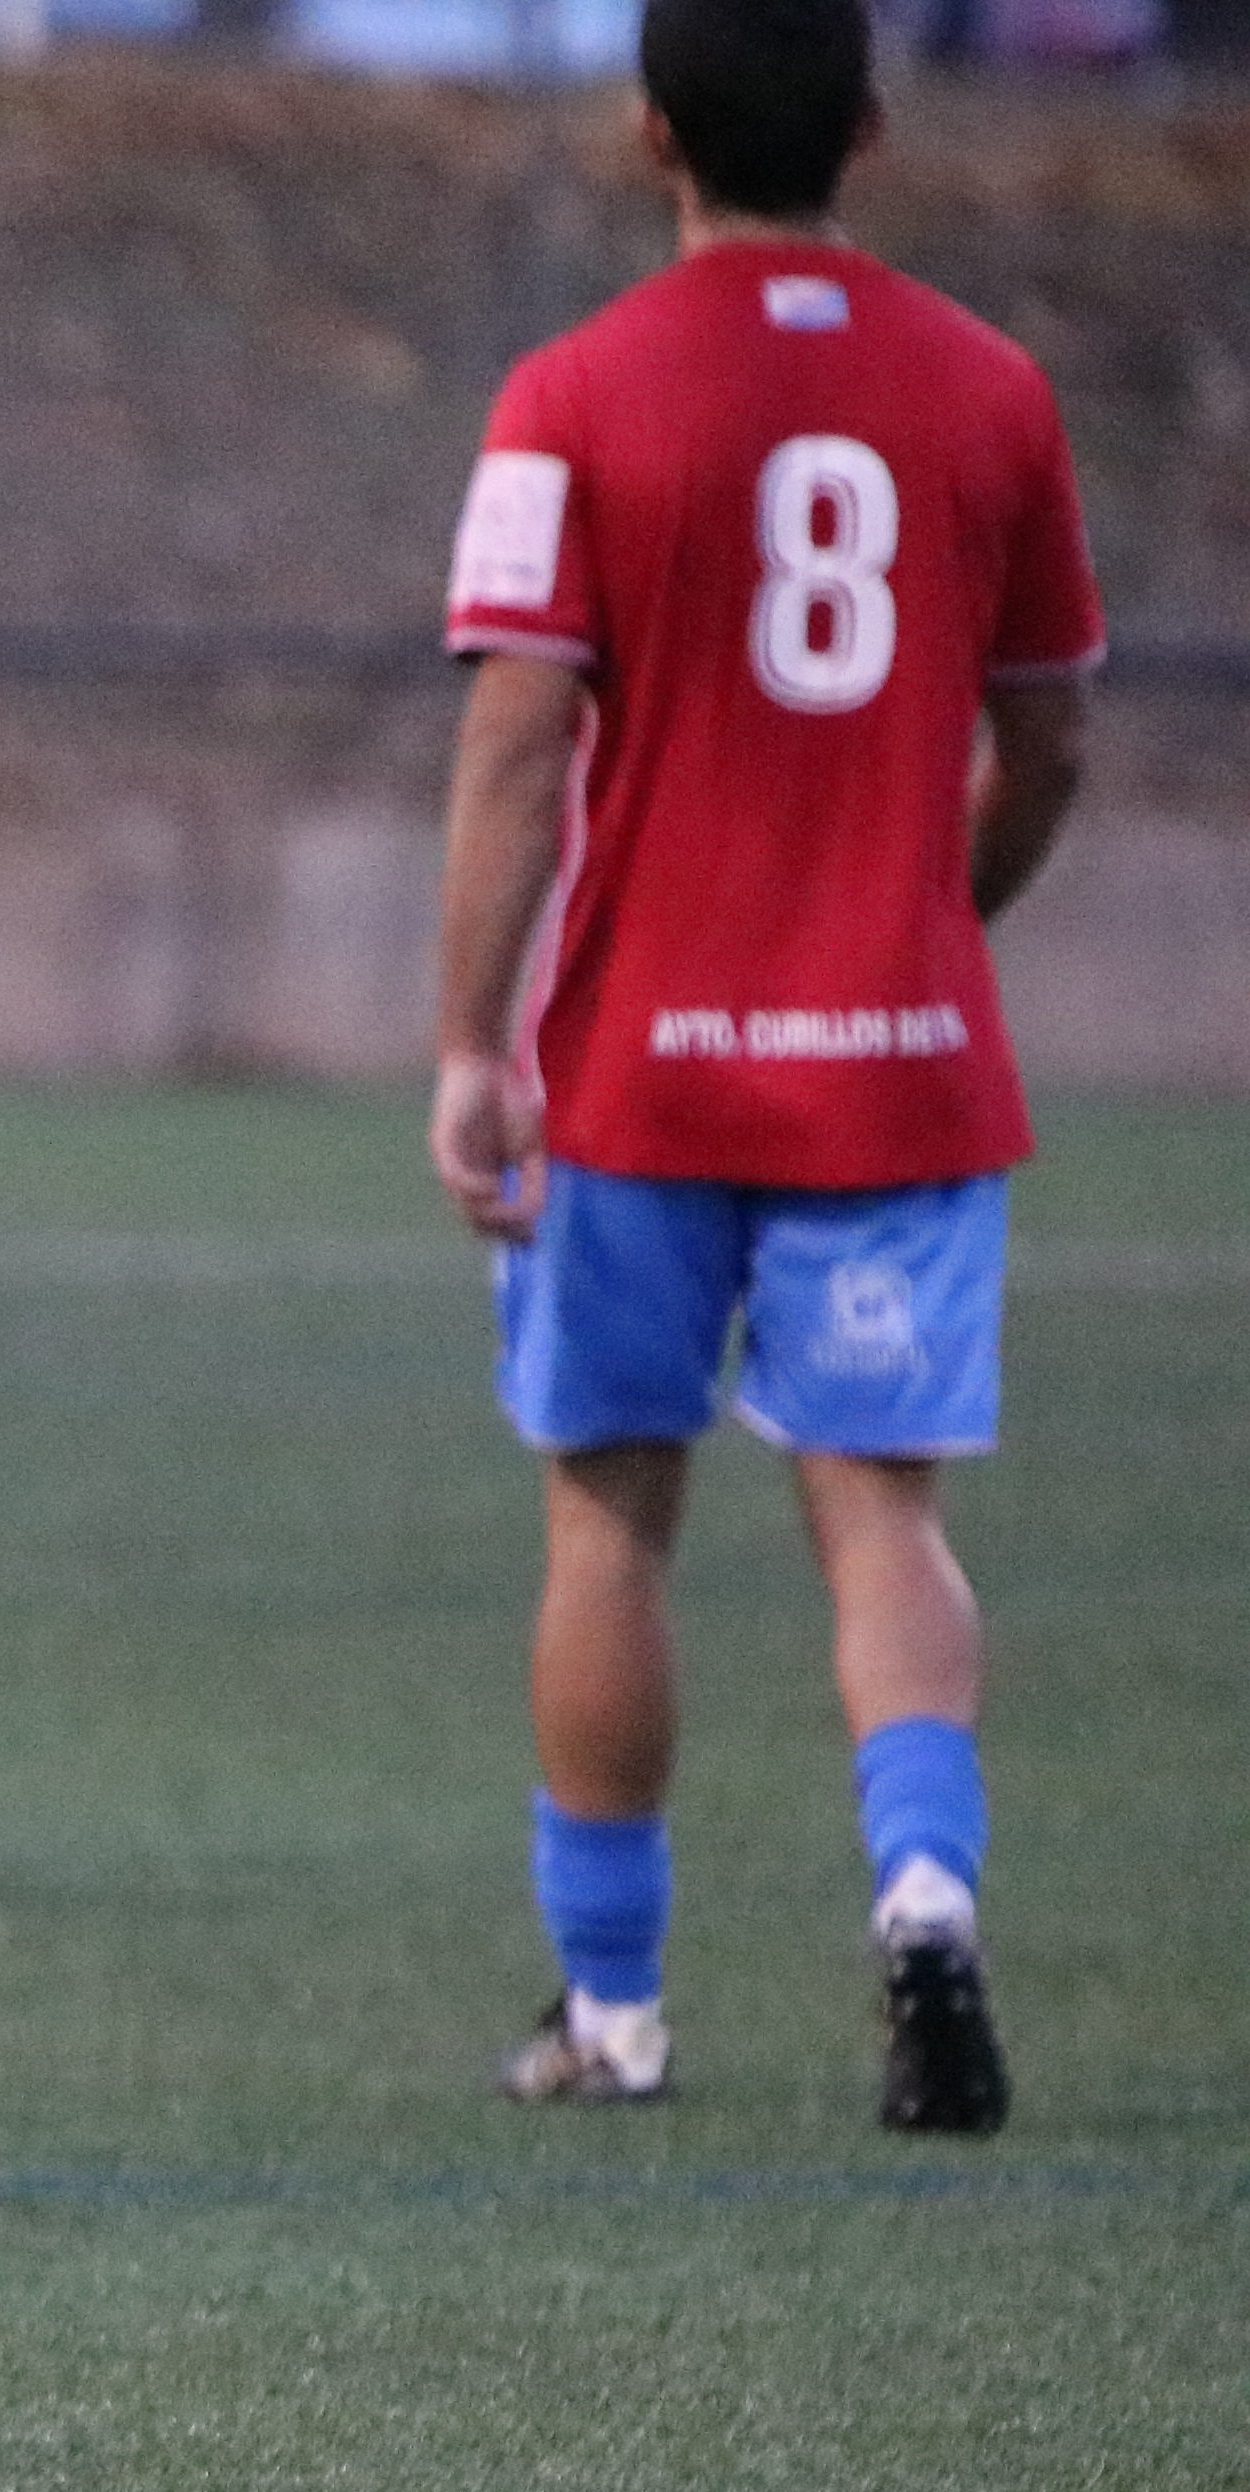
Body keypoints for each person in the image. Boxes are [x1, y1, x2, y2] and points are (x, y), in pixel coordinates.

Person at [429, 0, 1097, 2131]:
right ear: (876, 130)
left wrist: (466, 1036)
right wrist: (934, 912)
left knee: (611, 1522)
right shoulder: (994, 394)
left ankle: (614, 2012)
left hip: (641, 1065)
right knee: (883, 1520)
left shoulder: (573, 396)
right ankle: (922, 1898)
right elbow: (1053, 732)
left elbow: (520, 748)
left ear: (647, 135)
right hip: (895, 1061)